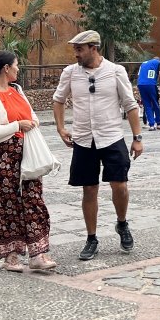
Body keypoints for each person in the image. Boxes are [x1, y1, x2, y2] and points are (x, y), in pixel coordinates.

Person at [52, 31, 143, 261]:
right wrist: (61, 128)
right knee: (89, 189)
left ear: (93, 48)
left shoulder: (115, 71)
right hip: (83, 139)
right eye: (75, 49)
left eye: (79, 49)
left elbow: (130, 104)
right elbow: (58, 99)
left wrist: (137, 138)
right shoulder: (70, 73)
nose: (76, 54)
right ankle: (91, 238)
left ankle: (122, 223)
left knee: (119, 185)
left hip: (111, 136)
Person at [0, 50, 56, 273]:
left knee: (34, 200)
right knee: (7, 204)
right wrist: (17, 125)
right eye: (16, 65)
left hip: (26, 152)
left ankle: (38, 254)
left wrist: (29, 123)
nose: (18, 69)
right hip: (2, 157)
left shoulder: (17, 90)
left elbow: (33, 117)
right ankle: (11, 255)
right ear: (6, 68)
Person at [136, 54, 160, 131]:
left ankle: (151, 125)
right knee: (155, 103)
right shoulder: (158, 62)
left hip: (140, 84)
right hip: (150, 84)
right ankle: (159, 123)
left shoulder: (143, 63)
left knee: (147, 105)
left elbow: (138, 75)